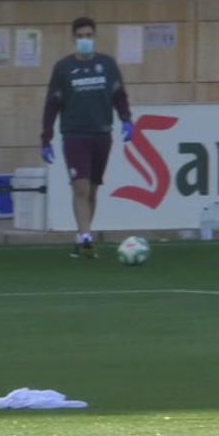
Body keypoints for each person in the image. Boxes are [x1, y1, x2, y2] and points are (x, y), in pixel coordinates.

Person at [40, 16, 135, 259]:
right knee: (80, 186)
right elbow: (52, 104)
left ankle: (82, 235)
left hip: (102, 134)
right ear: (73, 39)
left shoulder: (108, 65)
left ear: (95, 37)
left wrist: (126, 119)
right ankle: (86, 239)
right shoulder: (63, 68)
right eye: (80, 36)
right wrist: (46, 137)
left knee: (92, 191)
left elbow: (119, 96)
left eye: (88, 36)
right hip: (74, 134)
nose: (85, 40)